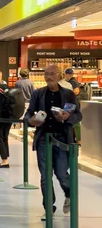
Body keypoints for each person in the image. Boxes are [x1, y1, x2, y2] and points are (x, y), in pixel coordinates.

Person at [24, 64, 81, 220]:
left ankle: (69, 193)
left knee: (62, 173)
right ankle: (49, 207)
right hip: (44, 139)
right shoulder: (38, 94)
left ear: (60, 75)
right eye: (46, 74)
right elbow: (28, 113)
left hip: (62, 139)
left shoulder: (69, 94)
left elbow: (78, 115)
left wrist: (68, 118)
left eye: (52, 74)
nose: (49, 77)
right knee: (45, 176)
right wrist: (31, 121)